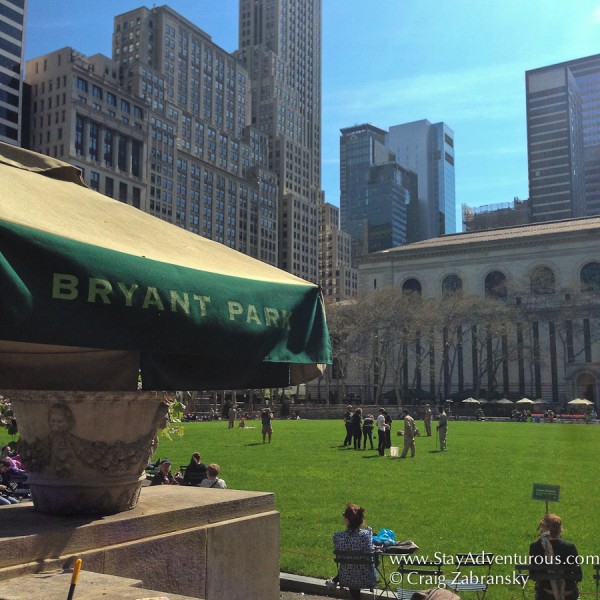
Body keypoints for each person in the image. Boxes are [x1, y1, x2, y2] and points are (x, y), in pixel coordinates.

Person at [326, 503, 377, 599]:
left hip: (346, 577)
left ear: (346, 520)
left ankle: (335, 580)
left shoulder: (338, 536)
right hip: (367, 577)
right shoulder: (367, 535)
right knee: (369, 561)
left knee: (351, 566)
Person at [528, 513, 581, 600]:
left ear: (543, 529)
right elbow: (578, 575)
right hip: (569, 593)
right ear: (560, 529)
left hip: (545, 593)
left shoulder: (535, 546)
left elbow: (533, 575)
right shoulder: (570, 547)